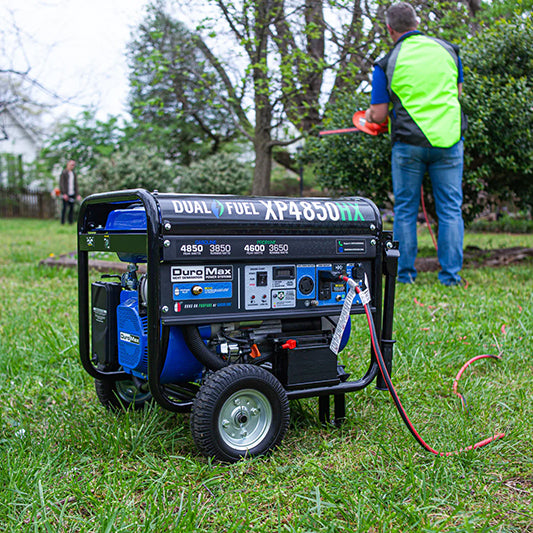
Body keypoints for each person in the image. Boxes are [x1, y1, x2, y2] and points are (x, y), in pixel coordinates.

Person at [364, 2, 466, 286]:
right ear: (416, 21)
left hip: (408, 144)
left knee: (405, 210)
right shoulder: (448, 50)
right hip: (448, 141)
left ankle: (404, 275)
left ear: (389, 29)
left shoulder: (387, 61)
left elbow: (380, 114)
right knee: (450, 209)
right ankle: (451, 277)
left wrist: (369, 116)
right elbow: (456, 93)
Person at [59, 159, 81, 225]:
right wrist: (64, 193)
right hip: (66, 194)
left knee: (72, 208)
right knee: (64, 208)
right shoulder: (64, 173)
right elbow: (61, 184)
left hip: (72, 193)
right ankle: (62, 222)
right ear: (67, 165)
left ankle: (70, 222)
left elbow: (76, 184)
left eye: (73, 165)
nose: (72, 166)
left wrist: (77, 194)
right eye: (71, 165)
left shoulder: (73, 174)